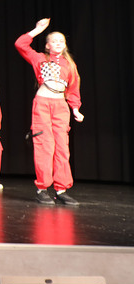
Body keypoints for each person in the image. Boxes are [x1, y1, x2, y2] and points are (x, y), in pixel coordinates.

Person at [15, 19, 83, 205]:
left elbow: (73, 89)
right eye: (54, 41)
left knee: (62, 147)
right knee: (44, 145)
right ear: (47, 45)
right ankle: (42, 188)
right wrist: (37, 30)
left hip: (61, 106)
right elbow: (20, 44)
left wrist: (75, 108)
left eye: (61, 41)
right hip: (43, 104)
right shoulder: (39, 58)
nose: (58, 43)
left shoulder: (69, 65)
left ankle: (61, 190)